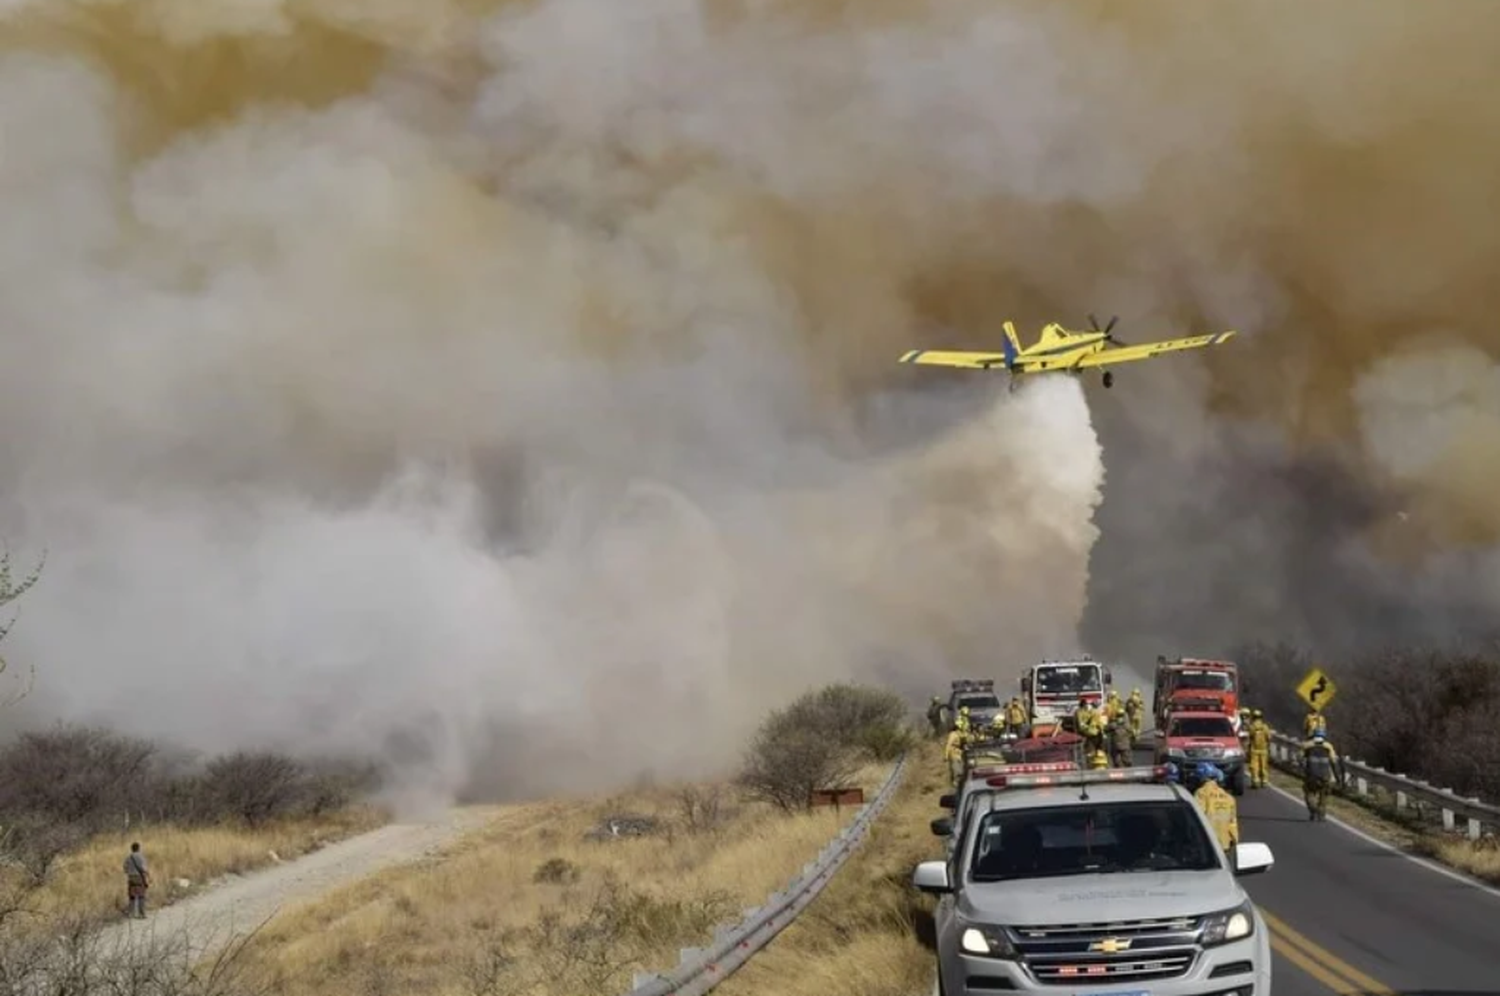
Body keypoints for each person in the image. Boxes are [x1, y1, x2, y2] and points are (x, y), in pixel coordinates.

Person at [1192, 764, 1239, 851]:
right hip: (1225, 843)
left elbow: (1197, 816)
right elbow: (1232, 822)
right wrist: (1234, 839)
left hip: (1207, 844)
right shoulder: (1228, 797)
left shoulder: (1201, 793)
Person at [1301, 731, 1340, 821]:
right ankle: (1321, 814)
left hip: (1311, 776)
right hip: (1325, 776)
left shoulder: (1306, 745)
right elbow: (1334, 762)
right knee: (1324, 796)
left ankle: (1313, 809)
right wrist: (1337, 778)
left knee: (1309, 794)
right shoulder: (1328, 746)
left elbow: (1299, 758)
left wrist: (1304, 770)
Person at [123, 841, 150, 919]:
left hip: (131, 878)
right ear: (138, 848)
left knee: (132, 896)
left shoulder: (128, 857)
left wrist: (129, 872)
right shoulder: (141, 857)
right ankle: (142, 914)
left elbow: (125, 868)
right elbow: (143, 868)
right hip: (139, 877)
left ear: (131, 849)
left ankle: (131, 913)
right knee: (141, 895)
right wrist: (147, 875)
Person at [1247, 709, 1272, 788]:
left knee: (1255, 766)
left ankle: (1255, 781)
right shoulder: (1265, 727)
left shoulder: (1252, 727)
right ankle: (1264, 781)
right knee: (1264, 766)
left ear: (1253, 717)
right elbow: (1269, 737)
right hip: (1264, 750)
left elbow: (1250, 737)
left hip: (1254, 750)